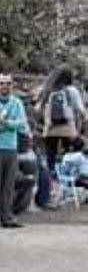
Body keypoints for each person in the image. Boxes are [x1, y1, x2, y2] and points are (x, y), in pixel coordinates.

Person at [0, 74, 29, 228]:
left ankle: (7, 216)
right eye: (2, 83)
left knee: (9, 185)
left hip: (11, 147)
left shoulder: (17, 102)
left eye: (8, 83)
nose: (5, 86)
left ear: (12, 85)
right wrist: (10, 124)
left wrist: (5, 123)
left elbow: (22, 123)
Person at [38, 69, 85, 210]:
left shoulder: (46, 89)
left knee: (50, 161)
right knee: (71, 159)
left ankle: (50, 190)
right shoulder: (72, 90)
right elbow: (81, 110)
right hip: (67, 131)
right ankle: (70, 190)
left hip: (50, 131)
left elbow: (37, 109)